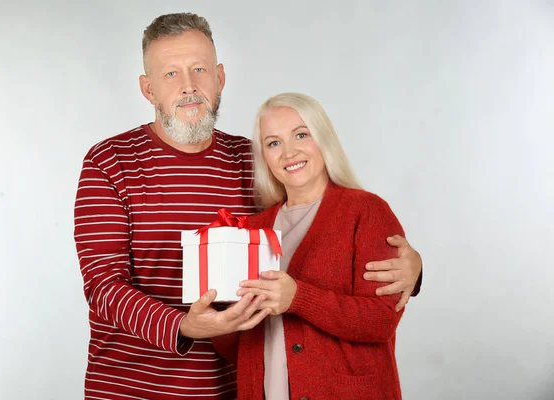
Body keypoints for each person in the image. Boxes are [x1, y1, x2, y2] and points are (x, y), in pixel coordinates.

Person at [73, 12, 422, 400]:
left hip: (234, 389)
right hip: (134, 387)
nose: (189, 86)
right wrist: (183, 327)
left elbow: (312, 230)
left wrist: (413, 268)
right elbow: (103, 285)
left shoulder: (251, 159)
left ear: (219, 78)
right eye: (170, 74)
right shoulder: (110, 162)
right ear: (148, 89)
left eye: (199, 69)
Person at [212, 92, 410, 400]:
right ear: (264, 156)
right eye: (273, 143)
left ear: (323, 139)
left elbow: (381, 321)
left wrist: (299, 299)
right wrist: (221, 311)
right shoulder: (252, 229)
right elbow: (233, 347)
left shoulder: (367, 211)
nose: (288, 152)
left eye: (301, 135)